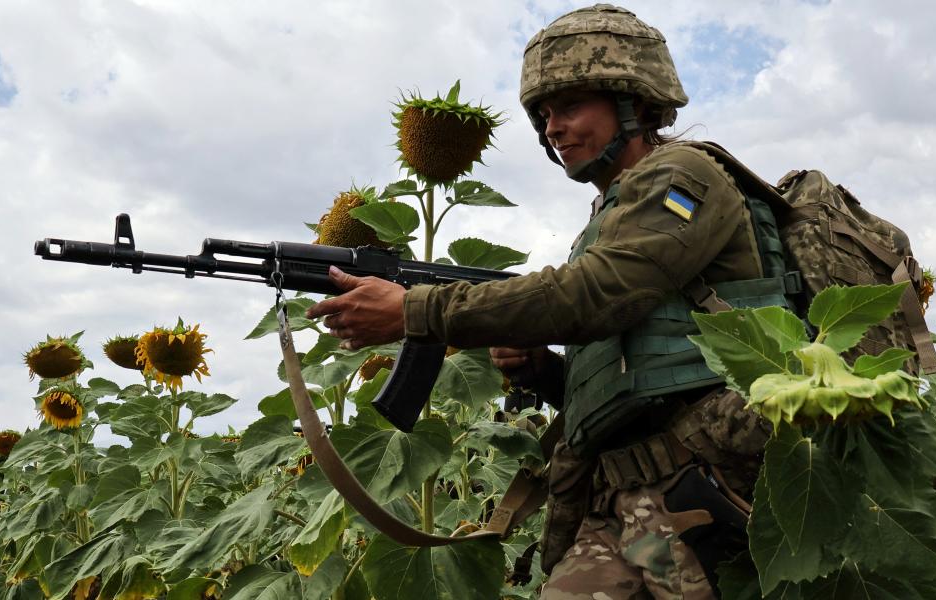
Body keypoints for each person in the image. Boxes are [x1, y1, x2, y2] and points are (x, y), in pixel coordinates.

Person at [307, 4, 778, 597]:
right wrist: (547, 371)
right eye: (545, 115)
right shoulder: (609, 217)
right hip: (632, 500)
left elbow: (599, 291)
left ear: (633, 101)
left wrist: (415, 311)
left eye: (571, 106)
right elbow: (641, 374)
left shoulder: (683, 177)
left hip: (703, 492)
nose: (553, 128)